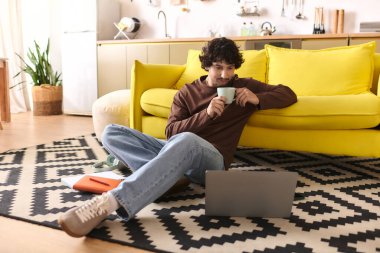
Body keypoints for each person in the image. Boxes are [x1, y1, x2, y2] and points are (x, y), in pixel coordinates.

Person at [58, 37, 297, 237]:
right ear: (206, 66)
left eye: (230, 67)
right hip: (178, 147)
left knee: (187, 142)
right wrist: (206, 115)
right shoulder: (187, 92)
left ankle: (110, 203)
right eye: (218, 67)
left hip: (212, 162)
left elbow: (288, 93)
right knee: (112, 132)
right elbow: (171, 132)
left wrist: (258, 99)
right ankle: (172, 177)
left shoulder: (244, 87)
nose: (225, 74)